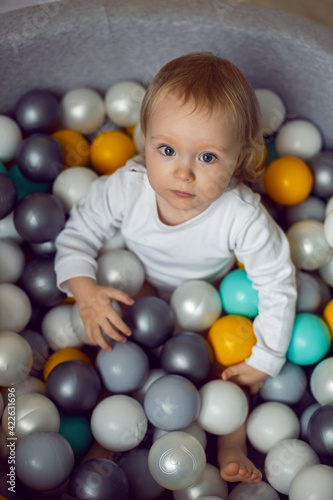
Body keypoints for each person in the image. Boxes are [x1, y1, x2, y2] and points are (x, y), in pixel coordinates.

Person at [55, 52, 297, 484]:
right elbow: (77, 235)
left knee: (226, 370)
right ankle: (108, 441)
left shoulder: (241, 215)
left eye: (207, 158)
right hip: (140, 289)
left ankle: (230, 443)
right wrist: (87, 294)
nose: (182, 173)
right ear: (144, 139)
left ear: (239, 157)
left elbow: (278, 282)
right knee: (115, 351)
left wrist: (267, 357)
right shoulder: (126, 188)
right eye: (166, 150)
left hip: (213, 303)